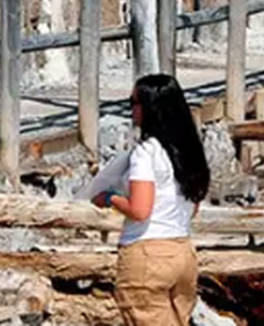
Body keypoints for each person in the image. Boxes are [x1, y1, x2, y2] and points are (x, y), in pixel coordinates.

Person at [87, 75, 209, 326]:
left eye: (134, 102)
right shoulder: (188, 151)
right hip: (183, 252)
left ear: (151, 107)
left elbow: (141, 210)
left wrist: (109, 198)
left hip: (147, 255)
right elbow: (194, 206)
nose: (131, 109)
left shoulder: (146, 152)